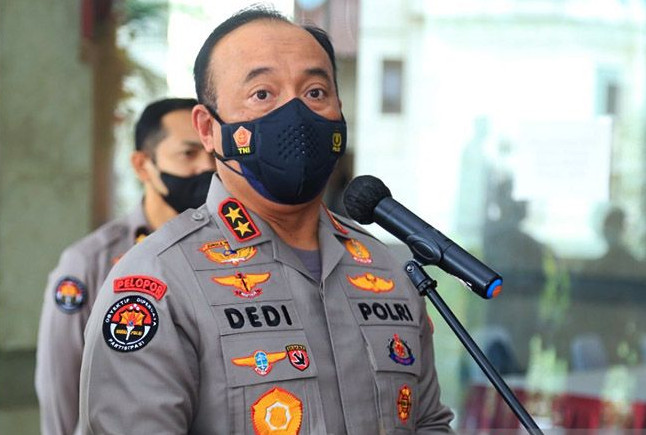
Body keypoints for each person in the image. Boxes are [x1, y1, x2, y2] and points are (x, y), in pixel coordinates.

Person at [80, 7, 454, 434]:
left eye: (315, 92)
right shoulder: (160, 280)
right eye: (262, 94)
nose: (296, 114)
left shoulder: (386, 269)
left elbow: (428, 421)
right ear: (208, 129)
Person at [35, 97, 216, 435]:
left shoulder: (231, 252)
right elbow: (60, 385)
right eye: (188, 154)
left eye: (213, 154)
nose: (206, 168)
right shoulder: (90, 261)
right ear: (142, 165)